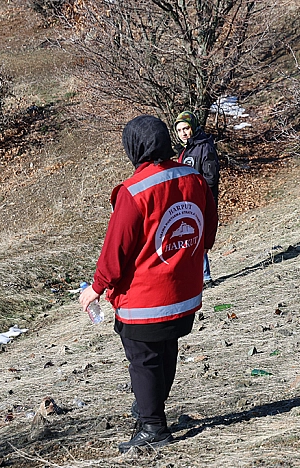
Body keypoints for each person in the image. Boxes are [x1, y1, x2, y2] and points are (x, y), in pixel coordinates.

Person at [79, 115, 218, 452]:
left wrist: (94, 289)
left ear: (134, 148)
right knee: (166, 350)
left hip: (145, 300)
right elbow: (208, 234)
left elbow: (116, 251)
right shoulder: (193, 177)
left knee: (143, 360)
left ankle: (153, 427)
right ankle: (148, 408)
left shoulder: (134, 191)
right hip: (184, 293)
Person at [174, 110, 220, 288]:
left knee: (197, 238)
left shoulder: (204, 147)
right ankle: (196, 277)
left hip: (201, 201)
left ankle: (206, 277)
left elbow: (211, 177)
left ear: (193, 127)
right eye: (179, 130)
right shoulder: (185, 150)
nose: (183, 133)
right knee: (189, 237)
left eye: (186, 128)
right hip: (187, 202)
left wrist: (200, 197)